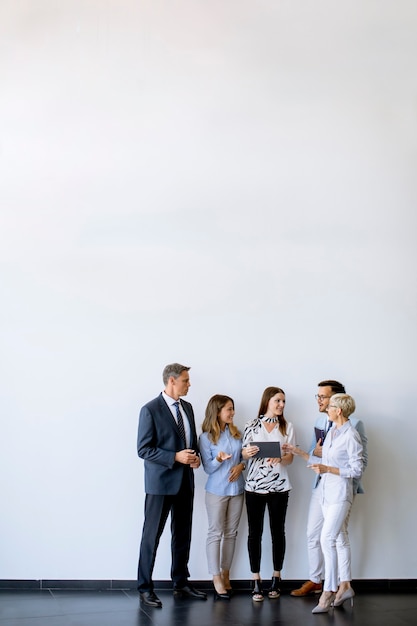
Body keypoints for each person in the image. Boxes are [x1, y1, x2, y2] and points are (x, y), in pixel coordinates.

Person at [287, 380, 368, 602]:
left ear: (337, 402)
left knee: (337, 537)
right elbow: (317, 450)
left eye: (324, 397)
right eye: (319, 397)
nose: (320, 401)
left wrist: (346, 489)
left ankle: (342, 585)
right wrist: (303, 451)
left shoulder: (355, 426)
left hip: (341, 490)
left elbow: (360, 462)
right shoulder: (321, 421)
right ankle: (317, 580)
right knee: (314, 534)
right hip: (321, 486)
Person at [136, 363, 207, 608]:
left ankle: (180, 582)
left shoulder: (187, 407)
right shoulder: (150, 410)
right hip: (160, 484)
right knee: (151, 536)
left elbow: (190, 441)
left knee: (182, 534)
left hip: (185, 481)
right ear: (172, 381)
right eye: (186, 380)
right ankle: (145, 588)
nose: (189, 384)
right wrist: (175, 457)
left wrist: (195, 457)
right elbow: (143, 449)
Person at [307, 394, 363, 613]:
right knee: (339, 538)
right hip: (326, 494)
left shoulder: (351, 435)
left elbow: (356, 470)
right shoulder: (332, 431)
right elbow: (324, 461)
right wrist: (301, 453)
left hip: (341, 494)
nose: (326, 409)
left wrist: (328, 469)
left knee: (326, 538)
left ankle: (329, 590)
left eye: (330, 406)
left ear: (338, 410)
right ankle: (345, 585)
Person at [242, 387, 296, 602]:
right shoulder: (250, 425)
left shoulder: (287, 427)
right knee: (254, 533)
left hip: (280, 486)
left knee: (277, 531)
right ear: (267, 401)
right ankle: (255, 578)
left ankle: (276, 576)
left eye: (283, 401)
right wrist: (246, 453)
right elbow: (244, 453)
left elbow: (290, 459)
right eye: (278, 400)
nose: (281, 405)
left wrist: (281, 459)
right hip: (254, 486)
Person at [199, 394, 245, 599]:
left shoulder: (237, 434)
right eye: (229, 409)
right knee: (215, 533)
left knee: (231, 533)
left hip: (237, 490)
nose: (232, 412)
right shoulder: (206, 437)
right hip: (216, 491)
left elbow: (246, 457)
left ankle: (226, 573)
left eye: (232, 408)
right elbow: (208, 468)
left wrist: (241, 465)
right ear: (217, 411)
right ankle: (215, 576)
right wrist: (218, 459)